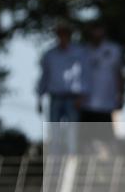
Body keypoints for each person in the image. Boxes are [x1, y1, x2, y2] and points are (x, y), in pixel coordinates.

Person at [37, 23, 88, 154]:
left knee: (73, 134)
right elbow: (45, 77)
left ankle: (72, 163)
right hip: (55, 98)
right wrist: (39, 97)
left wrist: (83, 96)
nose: (62, 37)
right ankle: (55, 164)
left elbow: (85, 75)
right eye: (60, 34)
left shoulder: (79, 53)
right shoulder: (50, 55)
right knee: (54, 133)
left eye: (65, 34)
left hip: (73, 98)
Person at [81, 23, 124, 155]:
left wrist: (121, 94)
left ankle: (109, 166)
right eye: (94, 31)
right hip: (86, 103)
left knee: (107, 139)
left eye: (99, 31)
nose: (97, 34)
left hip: (106, 103)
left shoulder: (114, 49)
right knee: (87, 140)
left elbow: (119, 73)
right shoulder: (83, 51)